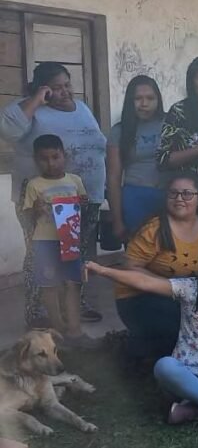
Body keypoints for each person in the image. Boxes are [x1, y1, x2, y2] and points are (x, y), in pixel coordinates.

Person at [85, 241, 198, 424]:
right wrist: (103, 271)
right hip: (186, 377)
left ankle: (194, 409)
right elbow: (145, 282)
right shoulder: (190, 288)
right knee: (164, 366)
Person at [1, 62, 106, 326]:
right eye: (56, 88)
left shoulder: (82, 108)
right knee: (41, 253)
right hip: (41, 200)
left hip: (83, 195)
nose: (65, 92)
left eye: (67, 85)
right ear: (42, 89)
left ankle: (74, 305)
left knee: (78, 253)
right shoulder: (27, 108)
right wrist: (37, 99)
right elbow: (8, 132)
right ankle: (37, 310)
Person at [120, 172, 198, 360]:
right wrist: (173, 287)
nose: (179, 199)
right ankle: (158, 363)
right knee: (176, 316)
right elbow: (130, 267)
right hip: (139, 295)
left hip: (185, 292)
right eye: (173, 193)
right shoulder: (154, 229)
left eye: (187, 194)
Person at [21, 135, 94, 349]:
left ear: (65, 156)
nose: (51, 163)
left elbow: (83, 205)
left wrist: (83, 203)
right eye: (44, 159)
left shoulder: (74, 181)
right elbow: (27, 215)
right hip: (45, 243)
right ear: (36, 160)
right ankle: (57, 329)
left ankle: (75, 329)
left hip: (70, 240)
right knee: (49, 285)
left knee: (73, 283)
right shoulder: (34, 185)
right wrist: (36, 209)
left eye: (55, 157)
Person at [106, 75, 166, 243]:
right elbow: (113, 177)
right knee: (138, 255)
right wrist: (117, 220)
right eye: (138, 98)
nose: (144, 104)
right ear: (130, 101)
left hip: (169, 197)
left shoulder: (170, 123)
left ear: (158, 100)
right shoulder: (119, 131)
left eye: (150, 98)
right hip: (135, 197)